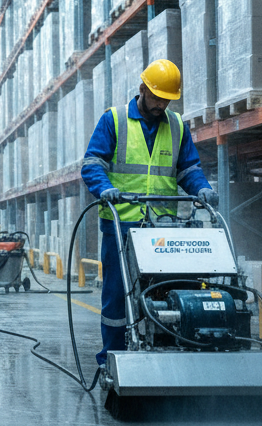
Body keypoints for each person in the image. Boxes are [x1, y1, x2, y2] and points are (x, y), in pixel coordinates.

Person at [80, 59, 218, 367]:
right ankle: (111, 358)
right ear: (142, 89)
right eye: (157, 97)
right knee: (117, 296)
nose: (161, 104)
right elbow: (92, 165)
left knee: (164, 289)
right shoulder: (113, 120)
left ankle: (164, 348)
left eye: (167, 99)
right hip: (122, 225)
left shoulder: (177, 125)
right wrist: (104, 189)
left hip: (161, 227)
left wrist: (203, 189)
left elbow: (188, 170)